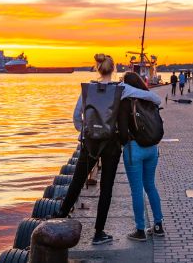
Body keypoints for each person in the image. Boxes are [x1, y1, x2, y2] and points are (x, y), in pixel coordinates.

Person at [55, 54, 122, 245]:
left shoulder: (88, 90)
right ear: (113, 69)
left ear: (97, 68)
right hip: (111, 144)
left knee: (77, 180)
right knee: (106, 188)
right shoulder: (120, 91)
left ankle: (61, 215)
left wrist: (85, 131)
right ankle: (99, 233)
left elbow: (77, 116)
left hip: (90, 142)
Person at [117, 71, 164, 241]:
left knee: (137, 191)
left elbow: (122, 132)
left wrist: (126, 143)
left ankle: (140, 230)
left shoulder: (125, 102)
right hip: (152, 148)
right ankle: (158, 226)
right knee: (150, 186)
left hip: (134, 149)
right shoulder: (150, 99)